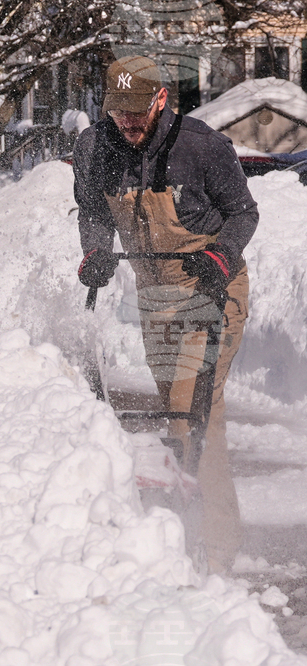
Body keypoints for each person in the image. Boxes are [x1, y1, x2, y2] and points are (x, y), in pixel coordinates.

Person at [73, 55, 259, 574]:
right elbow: (92, 210)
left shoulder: (201, 146)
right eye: (118, 112)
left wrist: (220, 256)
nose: (128, 122)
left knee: (195, 410)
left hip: (213, 287)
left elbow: (245, 212)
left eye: (137, 110)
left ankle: (214, 552)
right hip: (155, 298)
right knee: (178, 414)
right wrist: (94, 252)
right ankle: (181, 532)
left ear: (161, 100)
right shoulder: (94, 147)